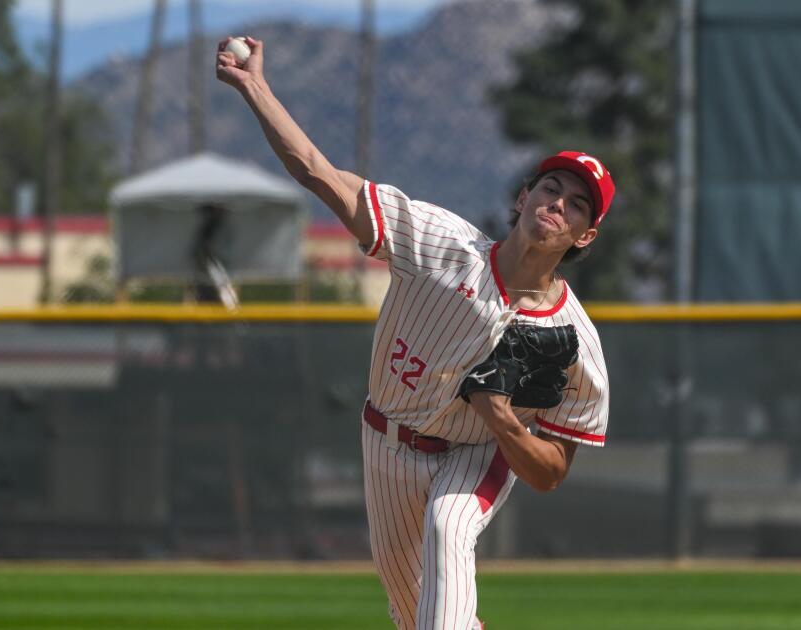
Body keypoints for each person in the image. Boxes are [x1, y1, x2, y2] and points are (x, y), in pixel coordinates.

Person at [217, 37, 611, 629]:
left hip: (477, 453)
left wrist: (501, 418)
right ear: (524, 195)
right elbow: (317, 172)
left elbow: (550, 472)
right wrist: (255, 88)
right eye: (551, 187)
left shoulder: (575, 341)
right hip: (386, 440)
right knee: (415, 613)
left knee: (449, 527)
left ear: (584, 236)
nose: (559, 203)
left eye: (578, 205)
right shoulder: (440, 242)